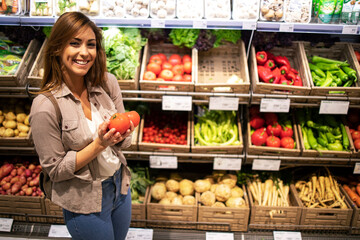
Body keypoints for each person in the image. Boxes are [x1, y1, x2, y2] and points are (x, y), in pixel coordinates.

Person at [29, 11, 134, 240]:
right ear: (57, 48)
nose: (84, 53)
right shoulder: (45, 106)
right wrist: (99, 144)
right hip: (85, 201)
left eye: (91, 44)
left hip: (120, 187)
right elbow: (55, 170)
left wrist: (125, 133)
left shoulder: (108, 83)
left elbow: (124, 143)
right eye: (74, 43)